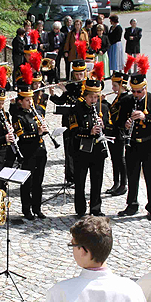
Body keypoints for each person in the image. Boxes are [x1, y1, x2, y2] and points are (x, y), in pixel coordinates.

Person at [119, 59, 151, 221]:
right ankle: (132, 204)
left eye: (139, 91)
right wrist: (125, 125)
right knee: (132, 176)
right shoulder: (127, 101)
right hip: (133, 144)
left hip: (150, 145)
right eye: (134, 91)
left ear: (145, 88)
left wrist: (145, 117)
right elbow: (118, 121)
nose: (136, 94)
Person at [69, 75, 109, 217]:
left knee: (97, 181)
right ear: (85, 96)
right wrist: (89, 131)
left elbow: (111, 127)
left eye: (96, 97)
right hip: (82, 151)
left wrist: (103, 126)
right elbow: (73, 130)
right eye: (91, 97)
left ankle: (95, 208)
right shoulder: (77, 109)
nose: (94, 100)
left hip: (98, 150)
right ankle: (80, 209)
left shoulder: (103, 108)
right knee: (80, 181)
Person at [12, 84, 48, 220]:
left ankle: (37, 208)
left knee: (38, 182)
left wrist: (44, 129)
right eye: (27, 100)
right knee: (27, 182)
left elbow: (41, 131)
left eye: (31, 99)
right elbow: (21, 136)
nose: (30, 102)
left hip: (40, 151)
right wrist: (37, 133)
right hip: (28, 152)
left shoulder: (37, 111)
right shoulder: (17, 116)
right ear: (20, 101)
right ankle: (26, 210)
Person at [105, 70, 130, 195]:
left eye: (115, 86)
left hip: (119, 132)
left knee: (120, 159)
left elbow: (116, 115)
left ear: (122, 86)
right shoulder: (119, 97)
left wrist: (105, 103)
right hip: (112, 132)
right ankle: (116, 182)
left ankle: (123, 184)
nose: (113, 88)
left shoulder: (126, 99)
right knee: (114, 159)